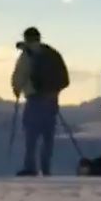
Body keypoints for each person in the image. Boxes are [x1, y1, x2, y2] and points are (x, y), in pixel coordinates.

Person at [12, 27, 69, 176]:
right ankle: (46, 168)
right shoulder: (51, 53)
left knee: (31, 135)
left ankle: (31, 167)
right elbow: (64, 79)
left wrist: (17, 89)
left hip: (34, 98)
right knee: (47, 136)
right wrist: (52, 91)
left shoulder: (28, 54)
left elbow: (20, 74)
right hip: (51, 99)